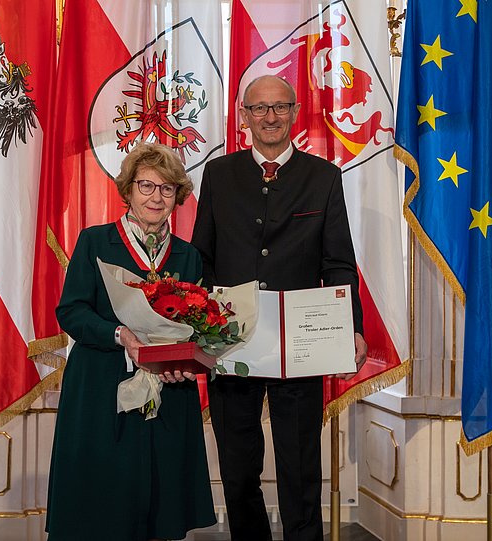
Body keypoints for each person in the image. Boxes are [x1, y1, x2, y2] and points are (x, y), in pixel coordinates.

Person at [191, 75, 368, 541]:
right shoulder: (218, 175)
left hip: (302, 348)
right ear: (243, 116)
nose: (270, 117)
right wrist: (197, 328)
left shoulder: (324, 177)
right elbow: (202, 258)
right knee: (238, 467)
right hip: (232, 346)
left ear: (294, 113)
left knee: (301, 468)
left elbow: (338, 262)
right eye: (260, 108)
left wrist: (351, 328)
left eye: (280, 107)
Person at [46, 142, 216, 540]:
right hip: (102, 387)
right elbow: (71, 311)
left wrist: (186, 360)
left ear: (178, 196)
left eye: (167, 189)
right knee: (103, 502)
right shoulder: (95, 241)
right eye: (146, 186)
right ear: (128, 191)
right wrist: (120, 334)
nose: (156, 197)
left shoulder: (189, 256)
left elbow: (198, 324)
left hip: (169, 391)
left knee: (161, 504)